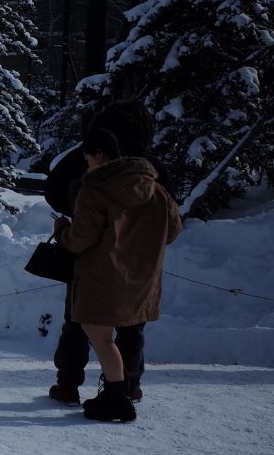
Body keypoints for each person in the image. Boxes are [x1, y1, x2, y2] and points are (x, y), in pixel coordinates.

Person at [44, 100, 169, 405]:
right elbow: (174, 225)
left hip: (94, 263)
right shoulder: (151, 171)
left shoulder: (90, 166)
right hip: (140, 264)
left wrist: (65, 228)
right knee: (132, 327)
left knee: (78, 322)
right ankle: (129, 385)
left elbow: (55, 192)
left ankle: (69, 382)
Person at [59, 128, 182, 423]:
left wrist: (61, 233)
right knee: (129, 335)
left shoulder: (95, 188)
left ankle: (116, 398)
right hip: (141, 276)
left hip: (101, 276)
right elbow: (174, 230)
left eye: (88, 158)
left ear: (100, 155)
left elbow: (81, 238)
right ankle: (121, 392)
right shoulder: (156, 189)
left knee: (102, 339)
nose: (87, 165)